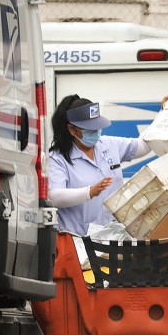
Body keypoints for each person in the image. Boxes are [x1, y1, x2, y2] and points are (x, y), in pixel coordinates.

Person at [48, 94, 152, 235]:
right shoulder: (58, 158)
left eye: (97, 127)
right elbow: (55, 197)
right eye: (89, 130)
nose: (96, 132)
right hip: (77, 241)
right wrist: (89, 192)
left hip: (113, 239)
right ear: (72, 130)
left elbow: (143, 146)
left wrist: (163, 117)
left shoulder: (109, 145)